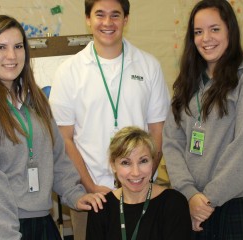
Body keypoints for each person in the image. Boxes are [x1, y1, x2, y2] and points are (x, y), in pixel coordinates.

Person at [0, 15, 105, 240]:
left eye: (18, 46)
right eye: (0, 47)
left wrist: (75, 194)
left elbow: (57, 157)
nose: (11, 56)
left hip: (39, 223)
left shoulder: (36, 99)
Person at [162, 0, 243, 239]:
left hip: (238, 205)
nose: (206, 38)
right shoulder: (188, 81)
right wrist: (189, 194)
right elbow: (171, 140)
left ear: (230, 29)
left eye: (215, 29)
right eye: (198, 32)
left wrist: (208, 201)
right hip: (194, 204)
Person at [49, 0, 170, 238]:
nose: (107, 23)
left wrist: (141, 180)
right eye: (99, 15)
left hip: (141, 192)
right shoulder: (69, 71)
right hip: (92, 196)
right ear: (88, 19)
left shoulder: (149, 66)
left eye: (115, 15)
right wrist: (91, 186)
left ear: (126, 19)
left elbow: (158, 130)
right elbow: (65, 138)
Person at [86, 126, 191, 239]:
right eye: (126, 163)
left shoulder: (174, 204)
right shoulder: (101, 207)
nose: (136, 173)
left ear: (153, 161)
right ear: (113, 165)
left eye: (143, 161)